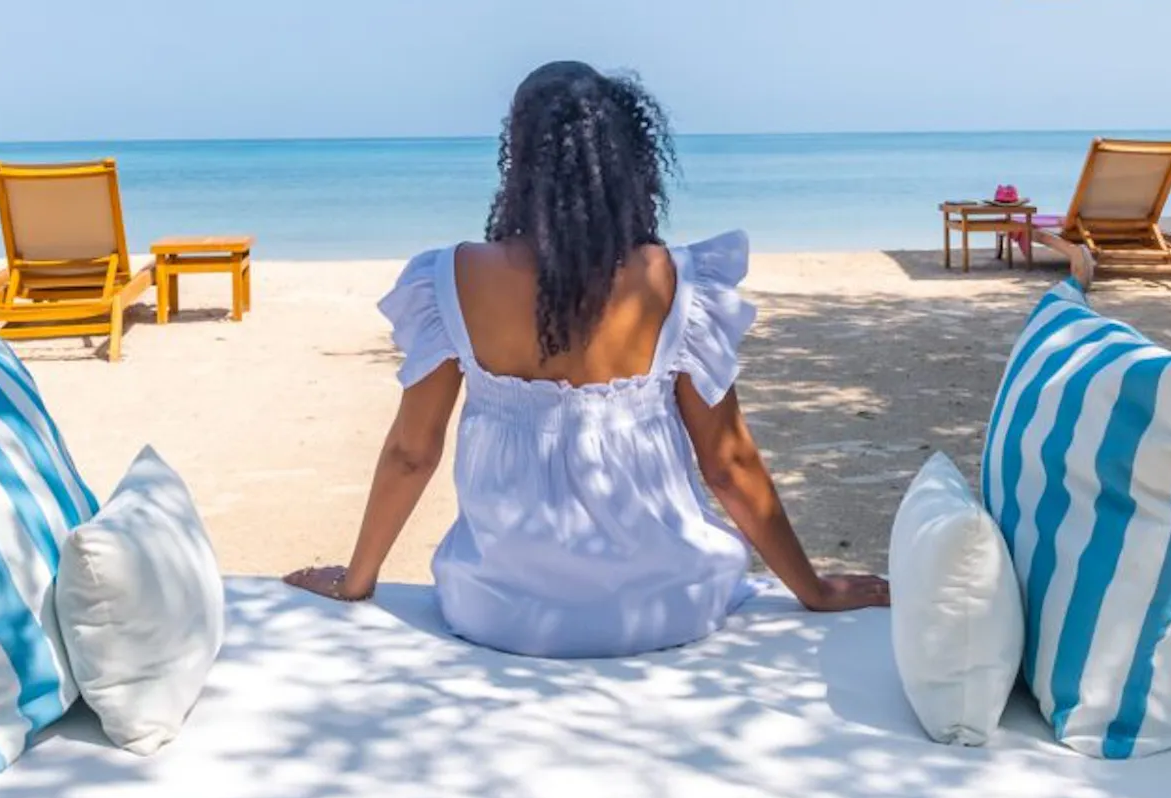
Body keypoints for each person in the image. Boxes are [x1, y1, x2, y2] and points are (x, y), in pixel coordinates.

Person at [285, 61, 887, 656]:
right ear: (628, 159)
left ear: (516, 158)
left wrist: (355, 581)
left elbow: (412, 454)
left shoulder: (454, 277)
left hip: (500, 611)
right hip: (668, 606)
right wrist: (813, 590)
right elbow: (728, 463)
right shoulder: (673, 281)